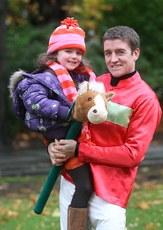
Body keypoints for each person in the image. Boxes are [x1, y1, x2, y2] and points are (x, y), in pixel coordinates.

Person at [48, 25, 162, 230]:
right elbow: (67, 124)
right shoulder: (95, 83)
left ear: (135, 53)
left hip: (110, 192)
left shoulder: (146, 100)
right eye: (108, 53)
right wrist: (53, 147)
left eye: (120, 52)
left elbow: (132, 154)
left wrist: (78, 149)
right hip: (73, 181)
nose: (113, 59)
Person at [8, 18, 96, 229]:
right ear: (55, 53)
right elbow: (36, 103)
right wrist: (69, 113)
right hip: (61, 140)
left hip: (79, 138)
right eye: (68, 51)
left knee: (89, 184)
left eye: (78, 52)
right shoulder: (40, 78)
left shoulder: (81, 77)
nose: (74, 56)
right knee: (84, 186)